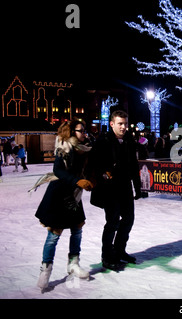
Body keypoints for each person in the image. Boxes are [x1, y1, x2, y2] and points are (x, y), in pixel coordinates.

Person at [35, 119, 94, 290]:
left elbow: (88, 170)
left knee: (77, 228)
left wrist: (91, 180)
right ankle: (45, 270)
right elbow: (58, 170)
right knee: (54, 234)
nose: (84, 133)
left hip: (73, 195)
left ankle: (73, 263)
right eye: (80, 130)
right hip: (60, 194)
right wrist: (78, 181)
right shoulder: (64, 147)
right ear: (71, 132)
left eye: (84, 130)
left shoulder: (85, 149)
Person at [90, 110, 142, 271]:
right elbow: (94, 164)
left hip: (125, 187)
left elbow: (133, 165)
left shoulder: (129, 140)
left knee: (128, 219)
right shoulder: (103, 140)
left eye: (125, 123)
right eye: (120, 123)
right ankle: (107, 255)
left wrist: (138, 186)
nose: (123, 127)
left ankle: (119, 250)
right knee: (112, 222)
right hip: (109, 189)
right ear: (112, 124)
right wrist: (104, 174)